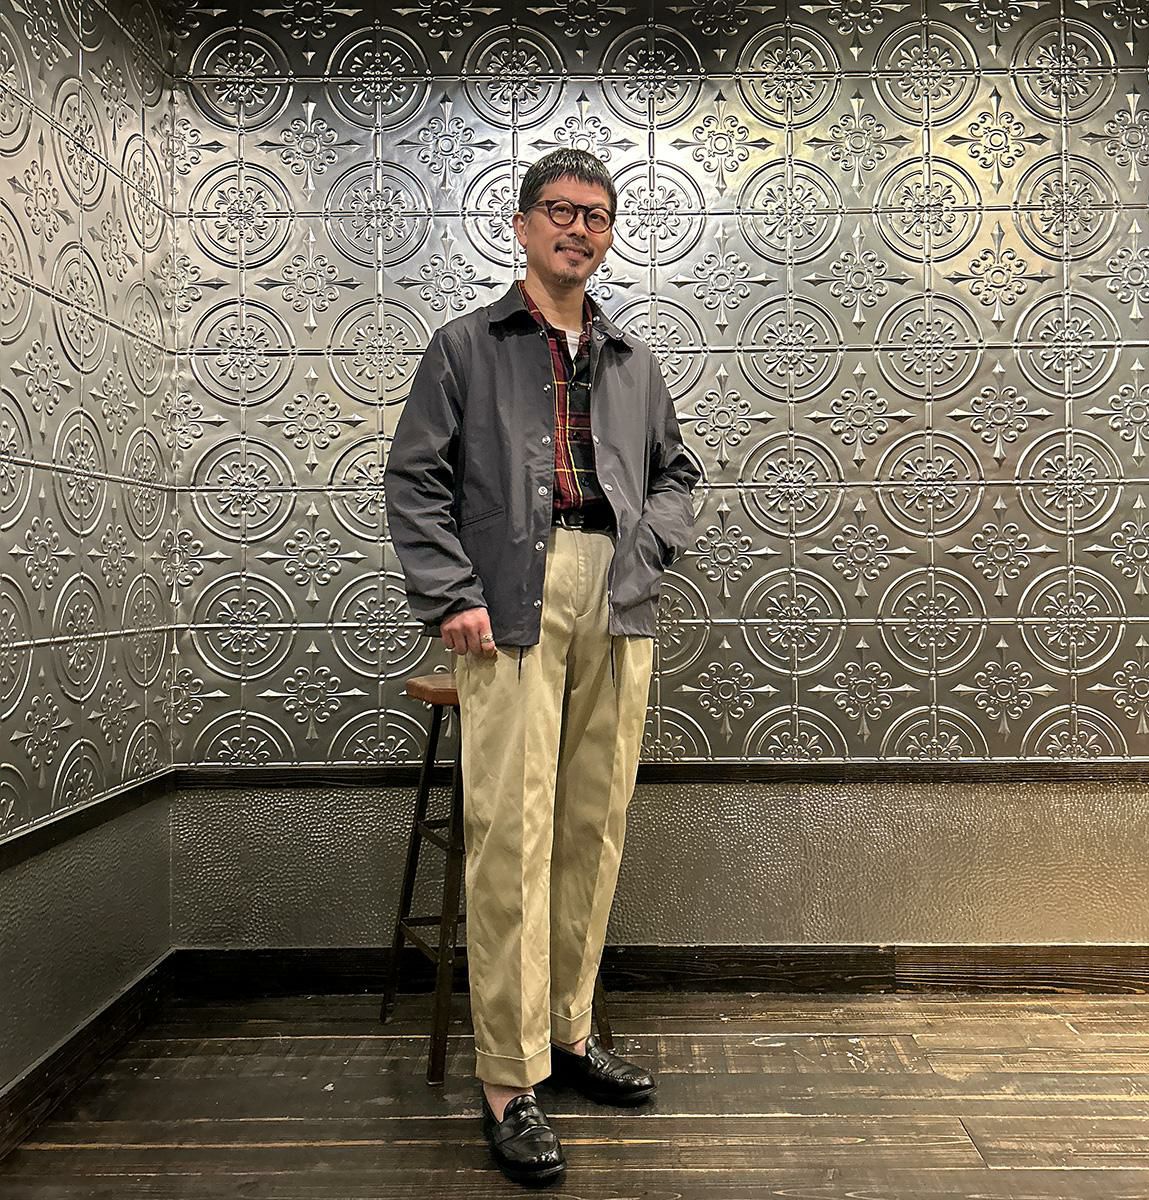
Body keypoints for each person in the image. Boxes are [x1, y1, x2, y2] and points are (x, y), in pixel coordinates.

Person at [384, 148, 699, 1185]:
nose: (579, 228)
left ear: (608, 235)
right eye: (559, 210)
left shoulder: (632, 359)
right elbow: (415, 479)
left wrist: (645, 551)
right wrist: (452, 593)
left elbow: (676, 474)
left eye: (596, 215)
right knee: (509, 835)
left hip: (617, 593)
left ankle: (569, 1031)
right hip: (511, 595)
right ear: (522, 227)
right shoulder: (464, 347)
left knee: (594, 824)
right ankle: (509, 1078)